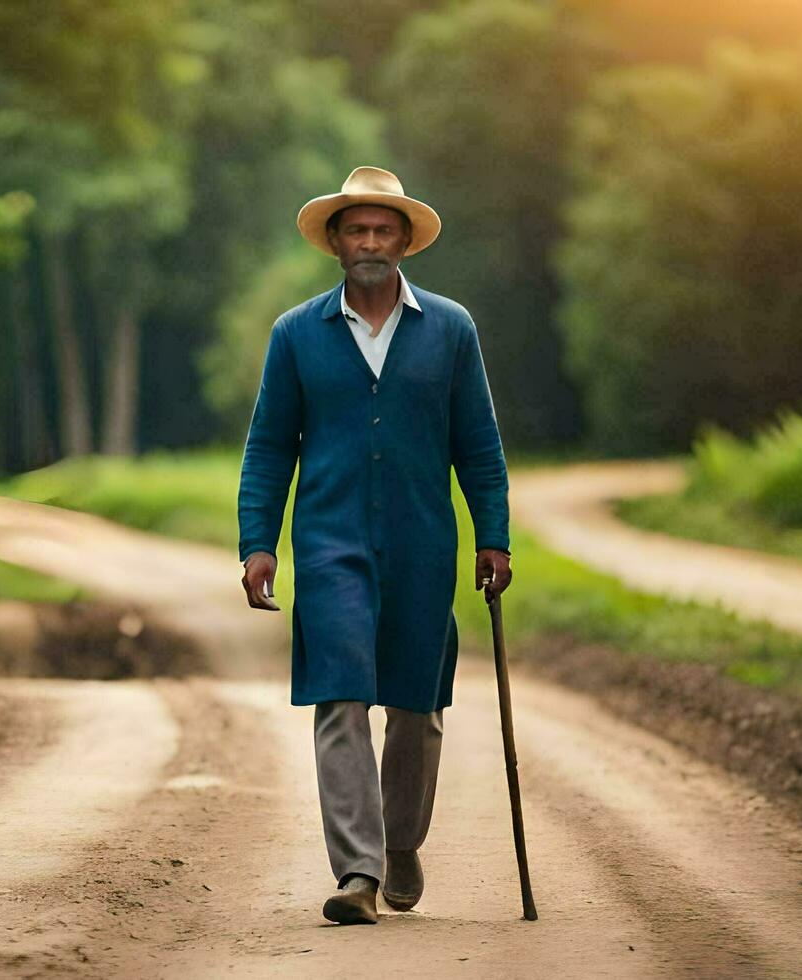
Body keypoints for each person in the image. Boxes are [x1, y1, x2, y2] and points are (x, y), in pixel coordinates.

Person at [236, 166, 512, 925]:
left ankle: (399, 845)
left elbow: (478, 444)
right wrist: (258, 541)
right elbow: (268, 448)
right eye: (355, 229)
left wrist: (494, 535)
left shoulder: (451, 329)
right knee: (340, 695)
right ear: (334, 242)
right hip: (329, 543)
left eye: (382, 230)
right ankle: (357, 869)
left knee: (416, 707)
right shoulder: (297, 333)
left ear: (404, 242)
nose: (369, 242)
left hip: (424, 542)